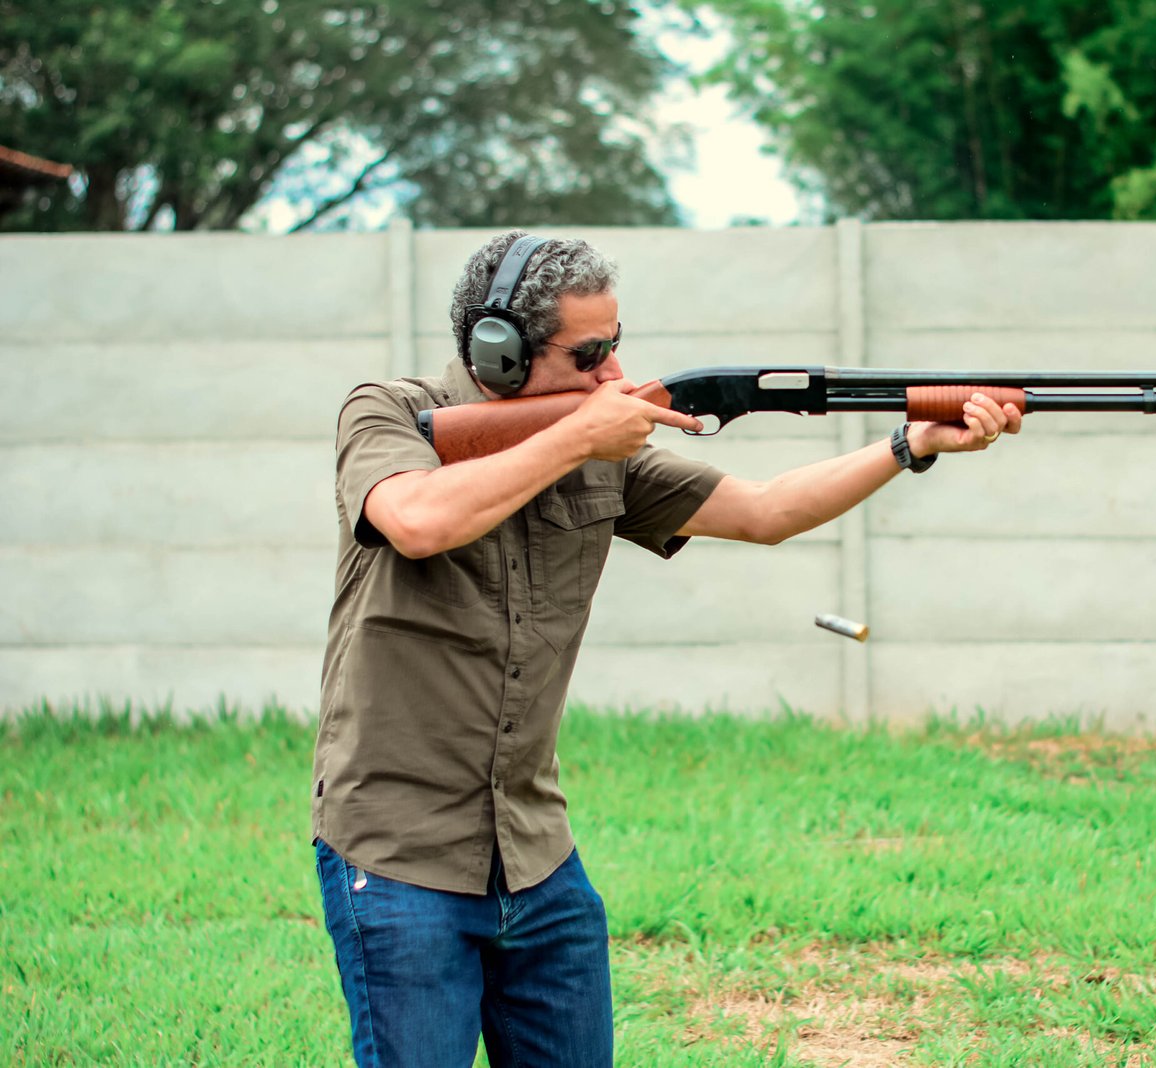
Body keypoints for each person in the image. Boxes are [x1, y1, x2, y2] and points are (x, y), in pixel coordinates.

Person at [311, 229, 1021, 1067]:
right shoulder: (388, 412)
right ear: (500, 352)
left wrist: (912, 445)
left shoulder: (601, 451)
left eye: (616, 345)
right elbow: (418, 520)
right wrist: (579, 438)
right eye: (590, 355)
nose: (614, 373)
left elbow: (765, 511)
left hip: (535, 851)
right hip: (397, 853)